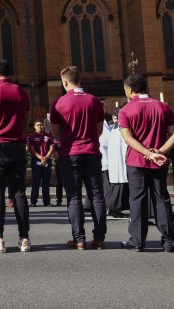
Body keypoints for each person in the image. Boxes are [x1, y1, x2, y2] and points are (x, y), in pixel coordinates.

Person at [118, 74, 174, 252]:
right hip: (159, 160)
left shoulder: (126, 110)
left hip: (137, 160)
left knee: (137, 200)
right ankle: (169, 241)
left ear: (130, 89)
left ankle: (137, 241)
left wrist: (147, 153)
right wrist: (160, 151)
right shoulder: (162, 107)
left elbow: (128, 138)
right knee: (161, 198)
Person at [50, 66, 106, 250]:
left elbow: (56, 135)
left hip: (70, 154)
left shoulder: (59, 103)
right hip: (91, 152)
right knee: (96, 195)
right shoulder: (95, 101)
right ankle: (98, 238)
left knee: (74, 197)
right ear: (79, 80)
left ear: (65, 82)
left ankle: (79, 238)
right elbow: (99, 131)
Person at [0, 58, 31, 253]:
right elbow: (25, 121)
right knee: (18, 192)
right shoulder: (21, 92)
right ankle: (24, 238)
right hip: (17, 144)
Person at [106, 108, 129, 218]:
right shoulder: (119, 128)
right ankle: (113, 208)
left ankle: (116, 208)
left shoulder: (115, 128)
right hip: (120, 161)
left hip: (117, 161)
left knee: (119, 185)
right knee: (118, 185)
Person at [27, 120, 55, 207]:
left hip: (47, 161)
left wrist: (46, 158)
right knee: (36, 182)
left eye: (41, 125)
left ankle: (47, 202)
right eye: (38, 125)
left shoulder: (49, 136)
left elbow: (52, 148)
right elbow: (31, 150)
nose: (40, 126)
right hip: (36, 161)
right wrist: (41, 158)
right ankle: (33, 202)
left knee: (46, 182)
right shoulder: (31, 137)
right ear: (35, 127)